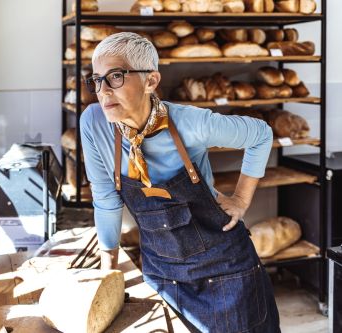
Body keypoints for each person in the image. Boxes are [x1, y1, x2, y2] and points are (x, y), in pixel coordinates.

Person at [79, 32, 281, 333]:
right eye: (96, 80)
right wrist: (107, 276)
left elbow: (260, 134)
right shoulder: (94, 123)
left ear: (151, 81)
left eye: (116, 77)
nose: (103, 91)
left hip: (226, 274)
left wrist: (241, 199)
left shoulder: (191, 123)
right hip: (162, 273)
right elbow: (106, 200)